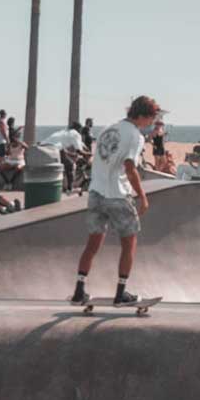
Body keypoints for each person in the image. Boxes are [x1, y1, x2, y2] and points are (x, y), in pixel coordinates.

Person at [72, 95, 161, 307]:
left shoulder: (107, 129)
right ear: (141, 115)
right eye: (150, 119)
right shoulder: (135, 136)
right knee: (129, 243)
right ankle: (121, 294)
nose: (151, 123)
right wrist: (142, 196)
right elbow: (130, 168)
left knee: (93, 243)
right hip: (117, 196)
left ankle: (78, 291)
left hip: (95, 194)